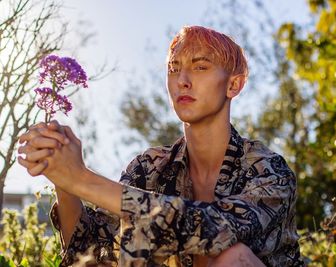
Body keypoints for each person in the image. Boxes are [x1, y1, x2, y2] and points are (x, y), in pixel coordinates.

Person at [18, 26, 303, 266]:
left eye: (200, 67)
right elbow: (91, 256)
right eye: (173, 68)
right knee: (135, 237)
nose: (182, 80)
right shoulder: (148, 168)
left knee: (232, 255)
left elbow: (212, 228)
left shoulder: (268, 170)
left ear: (234, 85)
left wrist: (83, 178)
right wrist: (64, 181)